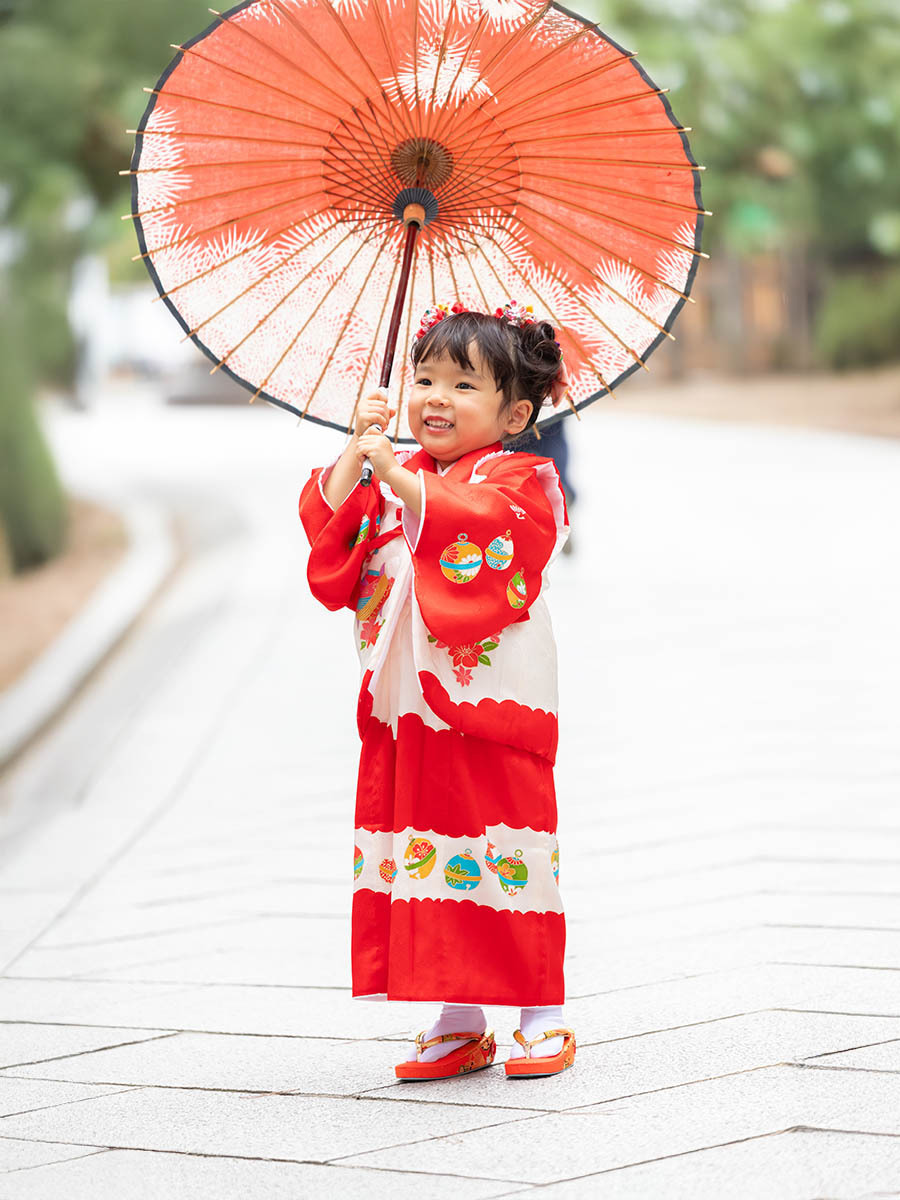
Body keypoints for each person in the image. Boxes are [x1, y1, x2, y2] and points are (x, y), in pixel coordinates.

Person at [298, 300, 576, 1080]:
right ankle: (458, 1016)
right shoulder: (398, 467)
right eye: (423, 378)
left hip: (492, 702)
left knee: (507, 845)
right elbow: (332, 547)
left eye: (462, 383)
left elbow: (492, 527)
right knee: (425, 847)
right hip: (409, 704)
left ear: (515, 410)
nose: (434, 398)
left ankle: (542, 1011)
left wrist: (400, 482)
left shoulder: (525, 478)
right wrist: (359, 453)